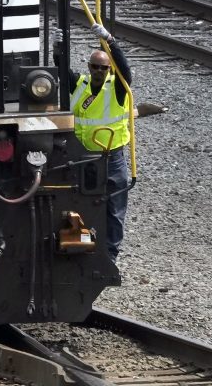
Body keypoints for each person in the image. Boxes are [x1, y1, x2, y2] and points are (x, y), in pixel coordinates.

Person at [72, 22, 133, 262]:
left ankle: (110, 256)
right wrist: (57, 49)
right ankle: (86, 247)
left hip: (112, 156)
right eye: (95, 66)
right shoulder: (79, 85)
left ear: (109, 69)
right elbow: (61, 72)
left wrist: (110, 42)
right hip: (84, 157)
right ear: (89, 67)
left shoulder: (117, 89)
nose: (99, 71)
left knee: (114, 208)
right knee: (84, 205)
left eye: (104, 67)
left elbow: (125, 71)